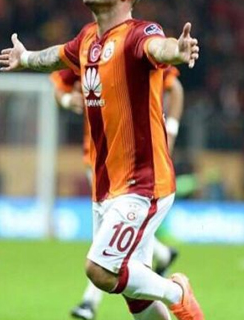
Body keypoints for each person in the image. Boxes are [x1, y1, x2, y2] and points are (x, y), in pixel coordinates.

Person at [0, 0, 203, 320]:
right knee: (136, 298)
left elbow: (160, 47)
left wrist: (177, 50)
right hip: (107, 184)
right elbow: (57, 57)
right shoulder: (88, 39)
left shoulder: (139, 34)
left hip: (144, 182)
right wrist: (26, 58)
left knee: (101, 270)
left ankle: (177, 292)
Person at [52, 67, 185, 320]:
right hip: (98, 161)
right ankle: (164, 256)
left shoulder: (137, 50)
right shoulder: (86, 50)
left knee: (105, 256)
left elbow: (174, 86)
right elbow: (59, 86)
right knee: (126, 271)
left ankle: (90, 301)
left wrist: (172, 130)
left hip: (136, 168)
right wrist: (68, 100)